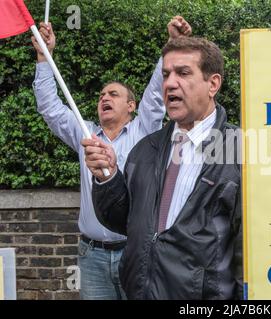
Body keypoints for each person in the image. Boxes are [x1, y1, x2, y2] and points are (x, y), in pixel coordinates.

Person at [31, 16, 192, 300]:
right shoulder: (85, 134)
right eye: (102, 94)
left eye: (113, 94)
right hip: (91, 257)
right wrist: (44, 57)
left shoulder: (144, 130)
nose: (104, 97)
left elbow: (156, 93)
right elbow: (50, 107)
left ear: (131, 105)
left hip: (135, 251)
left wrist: (172, 46)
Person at [83, 37, 243, 299]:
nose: (169, 83)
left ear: (212, 83)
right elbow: (126, 222)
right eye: (166, 74)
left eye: (183, 73)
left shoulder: (239, 149)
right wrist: (107, 178)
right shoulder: (146, 149)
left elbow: (249, 249)